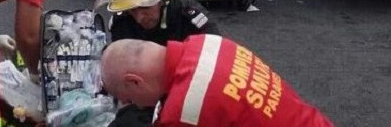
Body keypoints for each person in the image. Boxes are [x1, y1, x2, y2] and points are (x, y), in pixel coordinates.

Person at [98, 0, 220, 127]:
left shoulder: (193, 22)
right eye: (132, 10)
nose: (139, 18)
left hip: (187, 96)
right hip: (143, 98)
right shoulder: (122, 22)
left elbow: (213, 73)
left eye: (146, 8)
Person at [101, 36, 334, 127]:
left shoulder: (182, 113)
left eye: (130, 99)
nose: (138, 106)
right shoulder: (206, 43)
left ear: (134, 81)